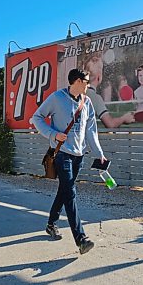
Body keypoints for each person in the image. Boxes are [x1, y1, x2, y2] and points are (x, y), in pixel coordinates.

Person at [31, 68, 107, 255]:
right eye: (86, 81)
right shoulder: (57, 98)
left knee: (64, 191)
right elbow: (37, 117)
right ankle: (81, 239)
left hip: (79, 155)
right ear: (77, 81)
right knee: (70, 192)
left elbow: (91, 131)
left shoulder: (87, 102)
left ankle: (51, 223)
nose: (88, 84)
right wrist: (52, 134)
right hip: (62, 153)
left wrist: (99, 153)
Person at [83, 54, 135, 128]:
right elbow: (110, 124)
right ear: (99, 77)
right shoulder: (95, 98)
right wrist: (124, 118)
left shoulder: (78, 94)